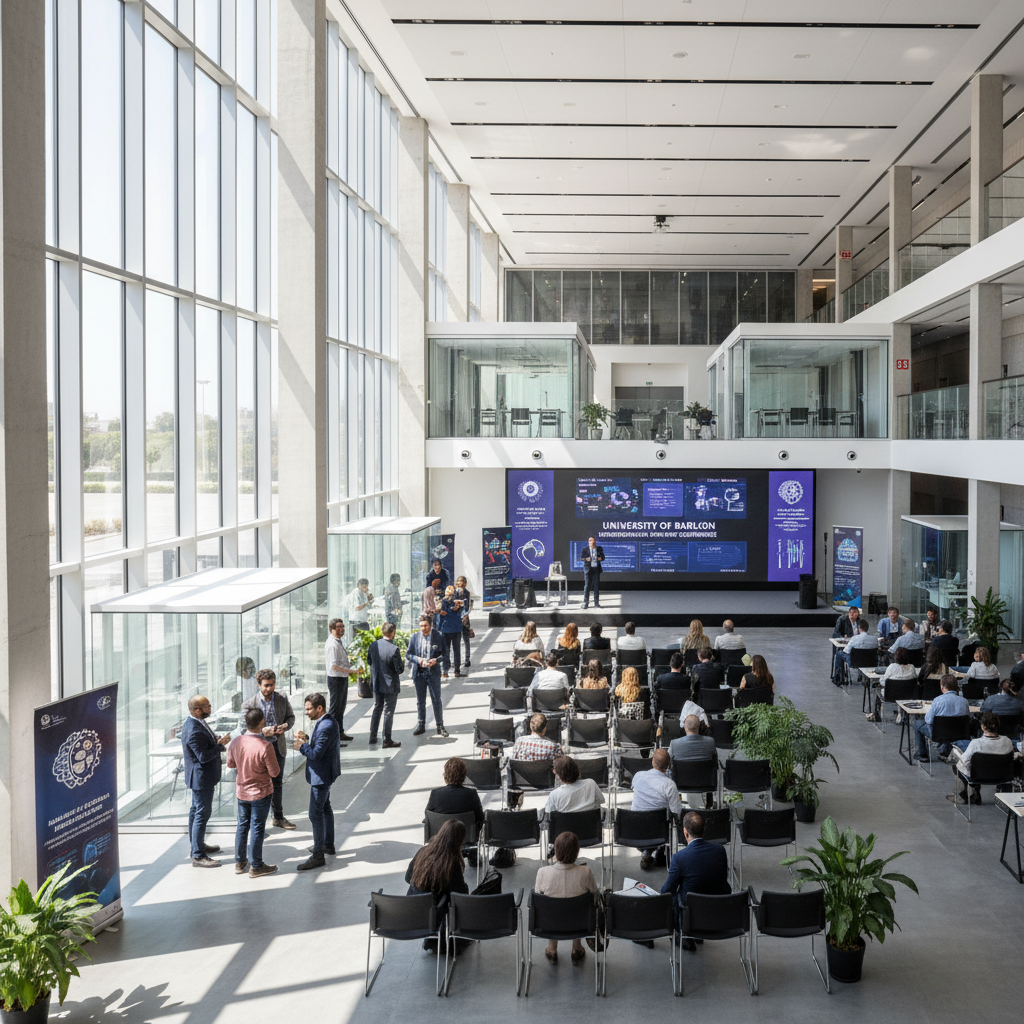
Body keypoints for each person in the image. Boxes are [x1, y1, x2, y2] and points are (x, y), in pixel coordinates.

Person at [661, 811, 730, 950]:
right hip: (717, 909)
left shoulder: (680, 858)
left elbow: (666, 891)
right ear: (704, 830)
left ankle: (684, 935)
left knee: (673, 896)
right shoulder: (720, 851)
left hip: (690, 913)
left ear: (685, 833)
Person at [226, 708, 281, 878]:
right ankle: (256, 865)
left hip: (242, 792)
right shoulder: (266, 746)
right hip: (260, 793)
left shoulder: (236, 742)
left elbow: (230, 764)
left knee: (242, 825)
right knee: (257, 828)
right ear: (262, 722)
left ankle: (240, 861)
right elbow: (275, 772)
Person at [239, 669, 297, 830]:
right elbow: (243, 729)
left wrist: (285, 726)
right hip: (257, 750)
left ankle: (278, 817)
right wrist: (262, 732)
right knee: (258, 785)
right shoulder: (249, 704)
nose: (269, 688)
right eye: (265, 685)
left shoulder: (281, 699)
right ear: (259, 685)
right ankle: (257, 823)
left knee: (277, 783)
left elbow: (291, 717)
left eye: (272, 685)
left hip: (277, 746)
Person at [181, 695, 231, 867]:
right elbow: (202, 757)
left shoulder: (197, 723)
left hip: (200, 777)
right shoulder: (194, 730)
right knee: (201, 814)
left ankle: (197, 845)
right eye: (207, 706)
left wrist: (216, 741)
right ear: (196, 710)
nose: (210, 708)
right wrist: (220, 746)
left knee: (196, 811)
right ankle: (198, 855)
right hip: (201, 778)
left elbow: (204, 745)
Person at [293, 692, 341, 871]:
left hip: (321, 777)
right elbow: (320, 745)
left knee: (315, 814)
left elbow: (316, 754)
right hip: (325, 774)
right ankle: (327, 844)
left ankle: (318, 855)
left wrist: (302, 746)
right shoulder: (326, 722)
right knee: (325, 808)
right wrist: (306, 739)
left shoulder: (326, 725)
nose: (306, 712)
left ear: (319, 708)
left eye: (308, 709)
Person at [535, 831, 599, 964]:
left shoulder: (543, 872)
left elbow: (538, 901)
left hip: (549, 924)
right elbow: (595, 896)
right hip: (579, 924)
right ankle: (577, 948)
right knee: (580, 905)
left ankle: (552, 949)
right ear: (577, 852)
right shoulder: (585, 872)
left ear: (556, 851)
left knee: (552, 906)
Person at [406, 819, 468, 951]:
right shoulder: (451, 862)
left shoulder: (422, 852)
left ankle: (434, 939)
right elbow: (460, 894)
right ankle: (444, 939)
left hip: (411, 910)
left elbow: (407, 878)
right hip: (433, 915)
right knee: (452, 899)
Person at [630, 749, 682, 869]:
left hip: (635, 828)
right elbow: (677, 811)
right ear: (668, 766)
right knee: (668, 818)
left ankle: (647, 852)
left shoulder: (638, 775)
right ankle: (660, 850)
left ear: (653, 762)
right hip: (659, 831)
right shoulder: (669, 785)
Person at [947, 712, 1013, 805]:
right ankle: (1006, 799)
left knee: (957, 765)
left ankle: (971, 794)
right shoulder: (1007, 741)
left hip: (978, 777)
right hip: (1003, 776)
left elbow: (964, 761)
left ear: (983, 727)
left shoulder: (976, 743)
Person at [407, 614, 448, 738]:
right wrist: (418, 660)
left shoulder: (439, 636)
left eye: (425, 626)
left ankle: (440, 725)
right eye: (421, 626)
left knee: (436, 699)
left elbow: (445, 653)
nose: (423, 629)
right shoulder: (414, 637)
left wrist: (436, 660)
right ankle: (421, 724)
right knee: (420, 701)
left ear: (431, 625)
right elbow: (409, 654)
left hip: (433, 672)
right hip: (419, 673)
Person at [913, 674, 968, 762]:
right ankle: (944, 750)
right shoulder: (964, 701)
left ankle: (922, 753)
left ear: (942, 687)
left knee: (917, 723)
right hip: (958, 734)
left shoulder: (937, 700)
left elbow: (929, 720)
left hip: (939, 734)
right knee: (949, 727)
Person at [368, 621, 404, 748]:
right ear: (393, 633)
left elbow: (369, 661)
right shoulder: (394, 649)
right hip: (390, 686)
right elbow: (399, 669)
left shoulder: (373, 645)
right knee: (388, 711)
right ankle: (386, 739)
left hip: (377, 683)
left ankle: (372, 737)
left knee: (377, 708)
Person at [425, 757, 484, 827]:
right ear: (464, 775)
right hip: (466, 833)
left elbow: (428, 815)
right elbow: (480, 817)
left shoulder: (435, 793)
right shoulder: (471, 794)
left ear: (445, 775)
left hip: (441, 833)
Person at [324, 618, 355, 745]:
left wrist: (348, 664)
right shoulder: (332, 644)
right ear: (332, 629)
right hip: (336, 679)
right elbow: (334, 666)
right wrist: (351, 671)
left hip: (341, 678)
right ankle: (331, 739)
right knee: (335, 709)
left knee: (341, 708)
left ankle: (340, 733)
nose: (342, 629)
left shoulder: (338, 641)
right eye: (338, 627)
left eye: (343, 626)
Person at [866, 647, 918, 722]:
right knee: (902, 688)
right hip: (908, 695)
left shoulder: (892, 667)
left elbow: (883, 682)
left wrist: (881, 679)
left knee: (876, 688)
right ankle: (901, 713)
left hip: (890, 695)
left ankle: (875, 714)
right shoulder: (912, 667)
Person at [437, 585, 464, 678]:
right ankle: (457, 670)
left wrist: (438, 628)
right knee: (457, 649)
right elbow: (462, 613)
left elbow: (441, 616)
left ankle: (445, 670)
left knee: (446, 650)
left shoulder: (442, 602)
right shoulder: (458, 602)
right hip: (456, 628)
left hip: (446, 628)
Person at [453, 575, 473, 668]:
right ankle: (457, 660)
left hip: (464, 619)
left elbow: (467, 607)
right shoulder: (454, 592)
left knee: (465, 640)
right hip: (457, 619)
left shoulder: (466, 593)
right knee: (457, 641)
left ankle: (467, 659)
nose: (460, 583)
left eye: (462, 581)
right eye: (459, 581)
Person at [581, 536, 604, 609]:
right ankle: (585, 603)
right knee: (587, 586)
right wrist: (586, 559)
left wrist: (598, 558)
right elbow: (581, 558)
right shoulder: (585, 549)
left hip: (596, 569)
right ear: (589, 543)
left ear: (595, 542)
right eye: (591, 543)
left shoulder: (599, 548)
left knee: (596, 586)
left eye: (594, 543)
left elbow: (603, 557)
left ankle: (596, 603)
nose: (592, 544)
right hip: (588, 569)